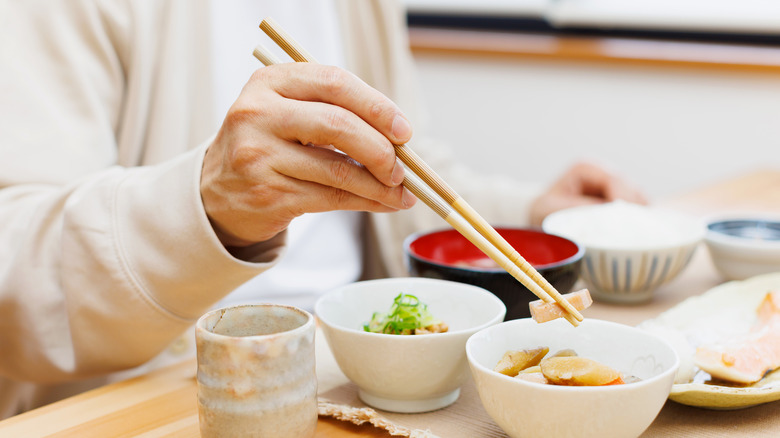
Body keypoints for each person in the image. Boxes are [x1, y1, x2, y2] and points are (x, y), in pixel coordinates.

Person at [0, 0, 644, 419]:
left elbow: (405, 166)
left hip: (351, 372)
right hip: (163, 393)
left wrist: (532, 207)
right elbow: (17, 267)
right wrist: (207, 205)